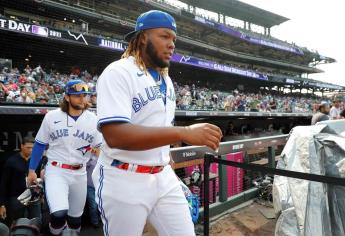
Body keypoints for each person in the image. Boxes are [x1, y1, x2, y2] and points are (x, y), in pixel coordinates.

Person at [93, 10, 222, 236]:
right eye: (164, 36)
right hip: (123, 176)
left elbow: (155, 124)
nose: (171, 44)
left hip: (162, 175)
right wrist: (183, 132)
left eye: (173, 39)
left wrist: (166, 157)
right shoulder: (118, 72)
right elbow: (115, 135)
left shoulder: (167, 79)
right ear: (143, 37)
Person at [27, 80, 102, 235]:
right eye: (77, 96)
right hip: (57, 170)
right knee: (58, 214)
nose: (82, 99)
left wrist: (99, 152)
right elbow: (40, 144)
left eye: (85, 95)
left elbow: (100, 147)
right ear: (67, 97)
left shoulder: (93, 119)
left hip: (80, 173)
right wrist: (32, 169)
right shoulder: (51, 116)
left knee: (75, 220)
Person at [0, 136, 40, 227]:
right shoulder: (11, 161)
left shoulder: (36, 160)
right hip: (16, 198)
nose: (31, 150)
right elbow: (4, 184)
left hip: (33, 196)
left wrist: (41, 195)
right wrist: (2, 204)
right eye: (28, 147)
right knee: (16, 224)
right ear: (22, 146)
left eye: (33, 148)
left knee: (36, 223)